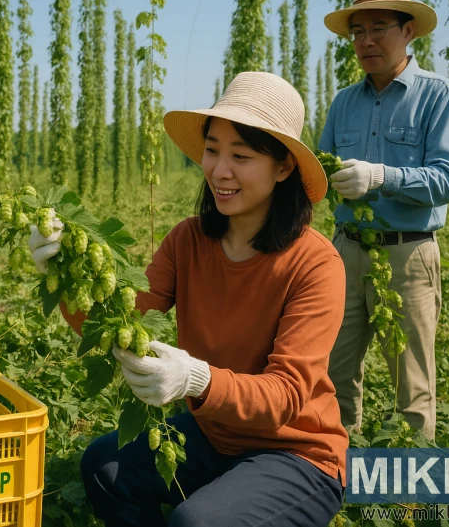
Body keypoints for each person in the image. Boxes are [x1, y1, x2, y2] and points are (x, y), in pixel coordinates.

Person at [30, 72, 347, 526]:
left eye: (240, 155)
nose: (220, 170)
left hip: (295, 451)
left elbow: (286, 396)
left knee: (196, 522)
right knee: (104, 468)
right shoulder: (188, 240)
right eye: (213, 150)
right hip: (214, 434)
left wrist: (197, 379)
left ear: (283, 168)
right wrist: (63, 272)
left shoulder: (316, 264)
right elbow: (126, 321)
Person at [319, 0, 449, 441]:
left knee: (412, 383)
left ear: (409, 31)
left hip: (407, 256)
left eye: (379, 27)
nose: (366, 41)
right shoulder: (343, 103)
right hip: (345, 252)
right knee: (333, 371)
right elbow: (320, 173)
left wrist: (381, 176)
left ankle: (409, 495)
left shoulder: (439, 97)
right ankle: (335, 472)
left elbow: (448, 178)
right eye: (357, 32)